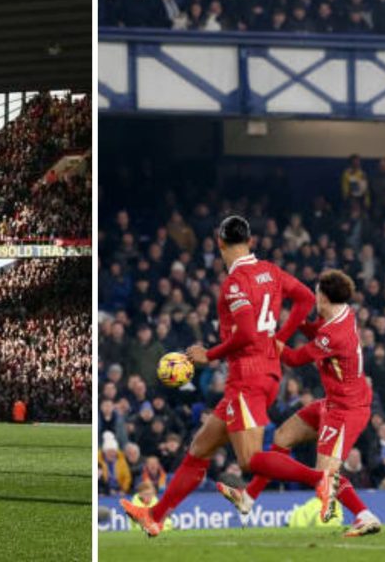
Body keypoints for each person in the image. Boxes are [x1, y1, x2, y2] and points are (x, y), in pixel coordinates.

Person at [121, 215, 315, 537]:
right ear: (250, 241)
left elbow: (248, 333)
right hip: (265, 372)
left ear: (219, 242)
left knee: (250, 460)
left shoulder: (235, 283)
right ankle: (154, 516)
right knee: (200, 448)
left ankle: (321, 480)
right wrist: (282, 337)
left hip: (247, 376)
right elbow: (306, 299)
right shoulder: (271, 271)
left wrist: (208, 356)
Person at [217, 270, 382, 537]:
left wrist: (269, 337)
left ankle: (365, 515)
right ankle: (248, 498)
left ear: (324, 298)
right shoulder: (343, 314)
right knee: (283, 436)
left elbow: (293, 358)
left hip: (347, 410)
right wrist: (290, 322)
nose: (314, 297)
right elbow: (315, 328)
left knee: (325, 475)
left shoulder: (334, 335)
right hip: (334, 401)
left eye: (316, 293)